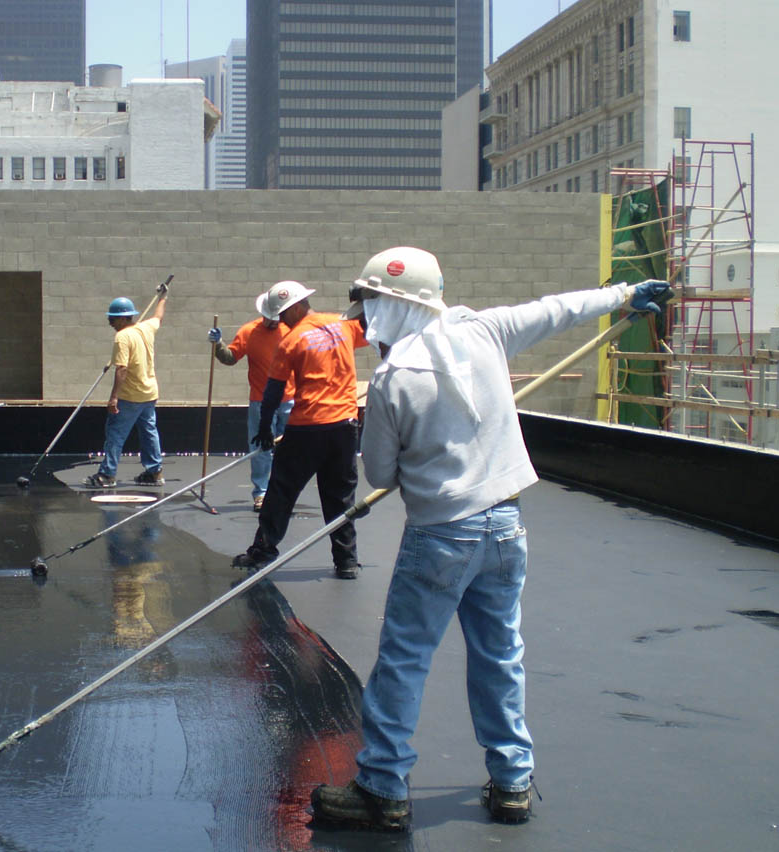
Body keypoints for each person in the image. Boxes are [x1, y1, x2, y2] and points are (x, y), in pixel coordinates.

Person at [309, 245, 672, 831]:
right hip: (505, 526)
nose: (367, 314)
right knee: (500, 654)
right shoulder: (485, 330)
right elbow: (558, 309)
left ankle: (382, 788)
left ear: (396, 305)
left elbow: (379, 475)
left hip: (440, 536)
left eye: (372, 301)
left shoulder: (393, 379)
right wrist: (627, 296)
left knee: (403, 660)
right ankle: (511, 782)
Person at [231, 279, 369, 579]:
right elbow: (374, 327)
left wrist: (265, 428)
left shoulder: (291, 342)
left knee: (281, 491)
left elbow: (273, 391)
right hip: (345, 427)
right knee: (340, 497)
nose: (279, 319)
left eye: (281, 313)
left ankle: (264, 550)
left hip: (307, 428)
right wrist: (367, 302)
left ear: (294, 308)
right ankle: (346, 561)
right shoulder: (342, 326)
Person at [206, 291, 296, 510]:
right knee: (261, 448)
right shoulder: (249, 332)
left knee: (291, 449)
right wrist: (218, 345)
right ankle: (262, 493)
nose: (273, 323)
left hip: (290, 399)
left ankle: (285, 492)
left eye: (276, 319)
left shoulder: (292, 331)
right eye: (269, 318)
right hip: (261, 401)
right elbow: (230, 358)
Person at [86, 280, 169, 488]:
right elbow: (158, 316)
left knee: (115, 433)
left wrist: (114, 397)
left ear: (123, 318)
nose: (109, 322)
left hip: (130, 396)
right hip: (149, 393)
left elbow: (121, 369)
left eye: (113, 318)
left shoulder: (122, 337)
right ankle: (155, 472)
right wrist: (163, 297)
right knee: (149, 432)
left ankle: (107, 475)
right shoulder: (145, 328)